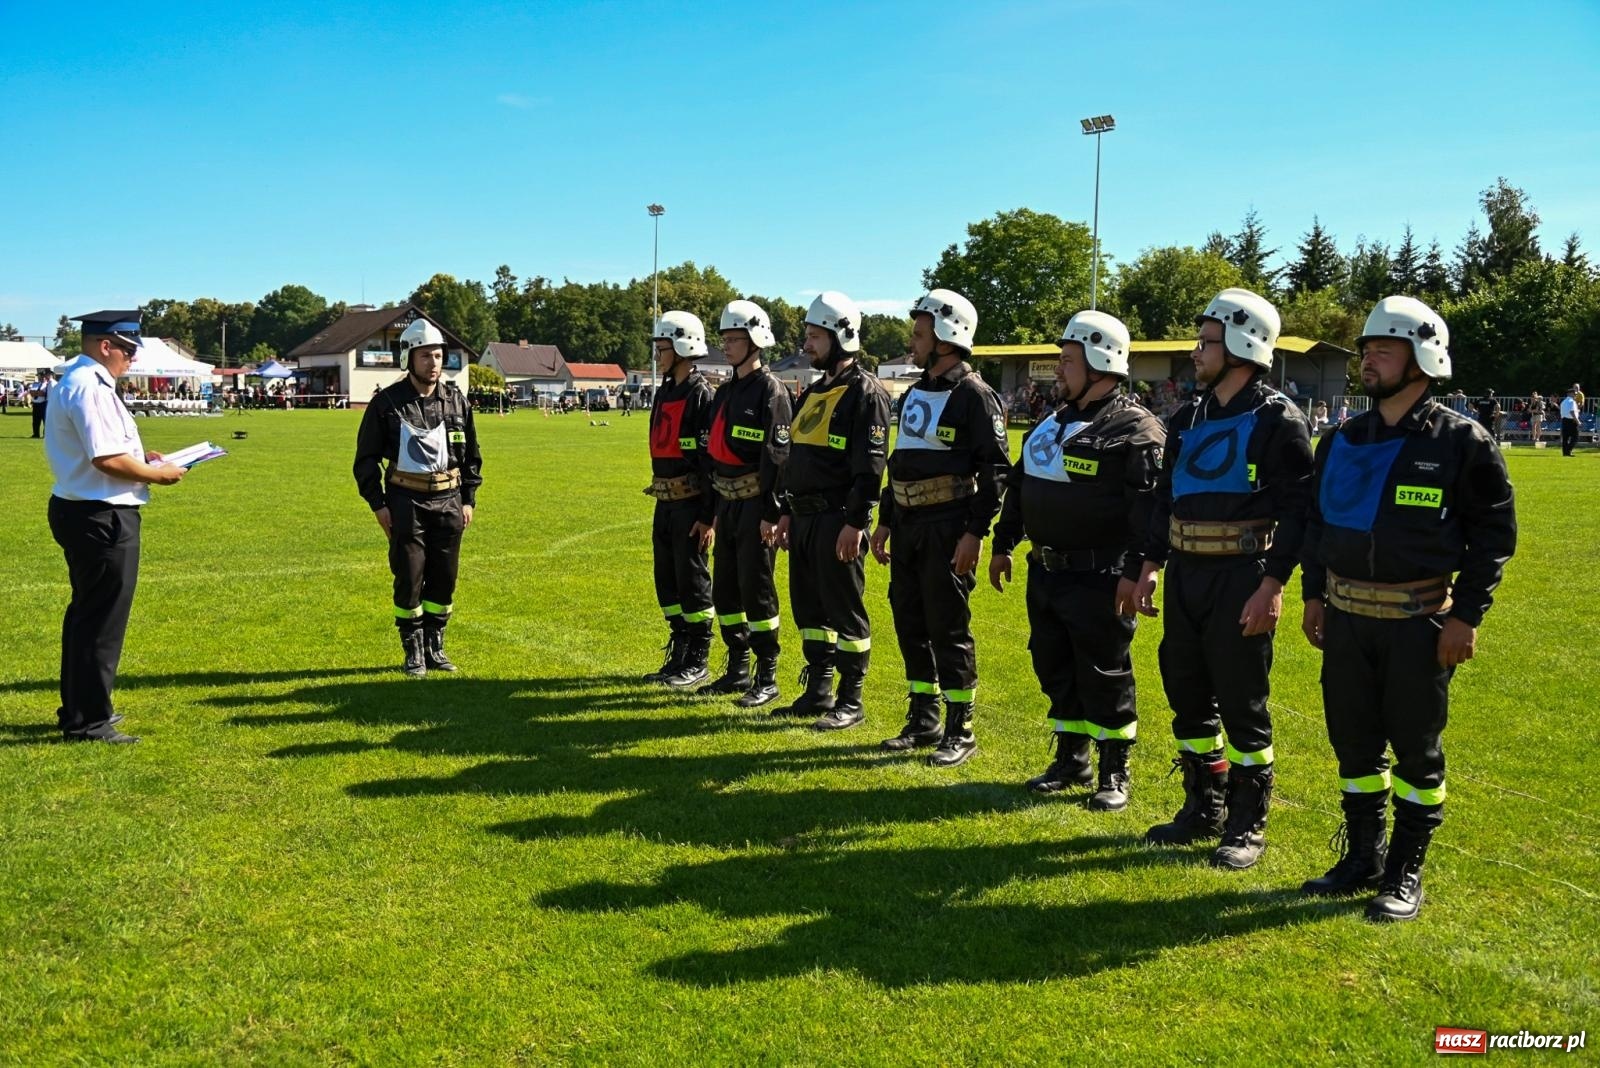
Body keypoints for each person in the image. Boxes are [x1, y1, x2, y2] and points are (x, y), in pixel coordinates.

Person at [1300, 296, 1516, 922]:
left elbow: (1493, 538)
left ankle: (1405, 871)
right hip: (1345, 620)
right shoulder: (1339, 438)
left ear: (1423, 357)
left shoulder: (1461, 442)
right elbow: (1319, 523)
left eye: (1383, 349)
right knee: (1354, 745)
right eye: (1367, 349)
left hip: (1419, 624)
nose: (1369, 359)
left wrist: (1466, 616)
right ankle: (1362, 857)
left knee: (1417, 752)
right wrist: (1314, 593)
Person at [1131, 288, 1313, 869]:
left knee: (1241, 699)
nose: (1195, 352)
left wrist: (1274, 584)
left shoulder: (1278, 420)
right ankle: (1201, 805)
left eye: (1206, 342)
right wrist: (1150, 567)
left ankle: (1247, 821)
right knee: (1186, 692)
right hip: (1185, 573)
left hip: (1243, 575)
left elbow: (1299, 511)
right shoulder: (1186, 418)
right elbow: (1165, 499)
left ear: (1242, 344)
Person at [992, 310, 1164, 807]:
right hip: (1046, 571)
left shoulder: (1137, 430)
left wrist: (1137, 573)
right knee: (1054, 665)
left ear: (1101, 362)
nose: (1057, 370)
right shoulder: (1051, 423)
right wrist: (1004, 544)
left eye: (1067, 361)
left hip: (1101, 575)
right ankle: (1072, 758)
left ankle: (1115, 770)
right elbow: (1020, 488)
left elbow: (1147, 512)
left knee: (1105, 671)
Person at [870, 289, 1008, 767]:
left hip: (948, 526)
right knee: (910, 620)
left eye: (918, 333)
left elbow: (995, 473)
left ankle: (960, 727)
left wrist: (975, 533)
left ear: (947, 335)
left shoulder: (975, 395)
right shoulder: (914, 392)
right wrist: (886, 521)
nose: (912, 341)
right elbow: (899, 461)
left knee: (947, 625)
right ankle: (923, 717)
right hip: (907, 524)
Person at [45, 311, 187, 743]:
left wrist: (146, 461)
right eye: (127, 349)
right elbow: (105, 459)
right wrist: (156, 475)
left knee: (88, 616)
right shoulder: (90, 387)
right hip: (101, 513)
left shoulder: (83, 382)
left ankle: (82, 708)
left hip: (87, 509)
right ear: (105, 345)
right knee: (101, 620)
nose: (131, 358)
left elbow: (109, 450)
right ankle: (88, 721)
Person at [770, 291, 890, 730]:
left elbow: (870, 467)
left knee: (844, 609)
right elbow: (794, 459)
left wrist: (855, 522)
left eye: (815, 336)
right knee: (810, 610)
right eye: (807, 335)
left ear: (842, 335)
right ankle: (818, 690)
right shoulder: (813, 390)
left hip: (837, 518)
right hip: (801, 518)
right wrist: (785, 512)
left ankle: (850, 700)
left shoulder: (866, 393)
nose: (807, 344)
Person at [353, 319, 483, 677]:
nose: (434, 363)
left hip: (449, 502)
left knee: (444, 577)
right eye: (425, 356)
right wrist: (378, 505)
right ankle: (412, 650)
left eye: (439, 356)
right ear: (408, 358)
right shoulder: (386, 404)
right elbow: (365, 460)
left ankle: (434, 646)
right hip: (405, 503)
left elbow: (472, 455)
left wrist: (468, 499)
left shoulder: (456, 402)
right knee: (409, 576)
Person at [698, 300, 793, 707]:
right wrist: (713, 514)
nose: (727, 346)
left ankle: (766, 674)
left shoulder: (772, 391)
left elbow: (778, 458)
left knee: (757, 591)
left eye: (734, 339)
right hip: (728, 504)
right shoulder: (726, 391)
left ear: (756, 341)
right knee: (726, 591)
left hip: (757, 506)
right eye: (725, 339)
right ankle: (737, 667)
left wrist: (772, 513)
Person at [640, 310, 717, 687]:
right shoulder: (665, 390)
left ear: (683, 346)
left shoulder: (701, 394)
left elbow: (708, 459)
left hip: (690, 504)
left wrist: (708, 515)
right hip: (665, 501)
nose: (658, 356)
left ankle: (699, 656)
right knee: (667, 579)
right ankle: (681, 646)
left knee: (692, 579)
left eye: (662, 348)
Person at [29, 368, 54, 438]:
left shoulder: (47, 384)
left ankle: (45, 434)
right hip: (35, 404)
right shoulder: (36, 384)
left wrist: (36, 393)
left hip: (43, 404)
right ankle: (36, 434)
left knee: (45, 420)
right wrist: (37, 393)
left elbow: (43, 394)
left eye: (42, 376)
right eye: (39, 376)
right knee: (35, 420)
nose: (40, 377)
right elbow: (31, 393)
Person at [1559, 388, 1580, 456]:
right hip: (1571, 421)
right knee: (1575, 437)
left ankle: (1565, 453)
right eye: (1574, 394)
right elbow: (1572, 412)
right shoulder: (1572, 402)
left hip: (1564, 420)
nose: (1575, 395)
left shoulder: (1563, 402)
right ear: (1570, 393)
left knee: (1565, 438)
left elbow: (1564, 412)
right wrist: (1578, 421)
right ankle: (1568, 450)